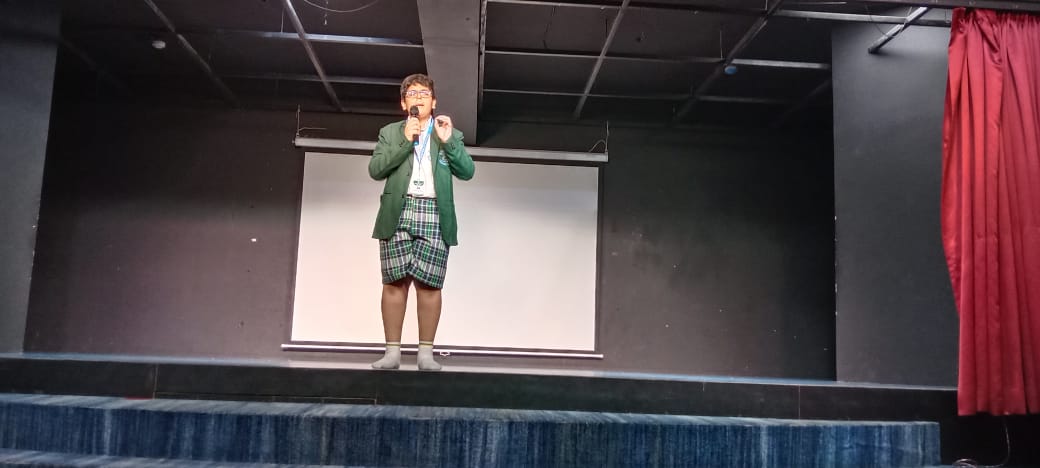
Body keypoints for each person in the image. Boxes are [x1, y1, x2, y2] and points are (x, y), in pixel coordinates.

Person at [368, 73, 475, 371]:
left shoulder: (447, 132)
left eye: (424, 94)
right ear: (404, 103)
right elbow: (376, 170)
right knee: (394, 282)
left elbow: (467, 172)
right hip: (398, 209)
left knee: (430, 285)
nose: (418, 98)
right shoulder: (390, 132)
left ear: (434, 101)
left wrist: (449, 142)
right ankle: (392, 353)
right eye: (412, 94)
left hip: (434, 210)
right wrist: (405, 140)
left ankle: (426, 354)